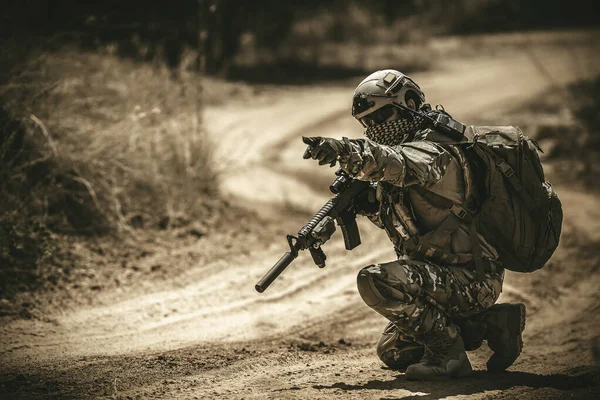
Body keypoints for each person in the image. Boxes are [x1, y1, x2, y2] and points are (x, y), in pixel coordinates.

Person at [302, 69, 526, 380]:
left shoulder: (436, 151)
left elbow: (394, 163)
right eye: (369, 123)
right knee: (394, 351)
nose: (378, 128)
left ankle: (448, 357)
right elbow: (409, 226)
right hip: (442, 276)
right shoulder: (406, 160)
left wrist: (346, 150)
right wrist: (361, 207)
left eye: (384, 116)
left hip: (472, 277)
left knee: (375, 281)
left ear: (409, 102)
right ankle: (493, 323)